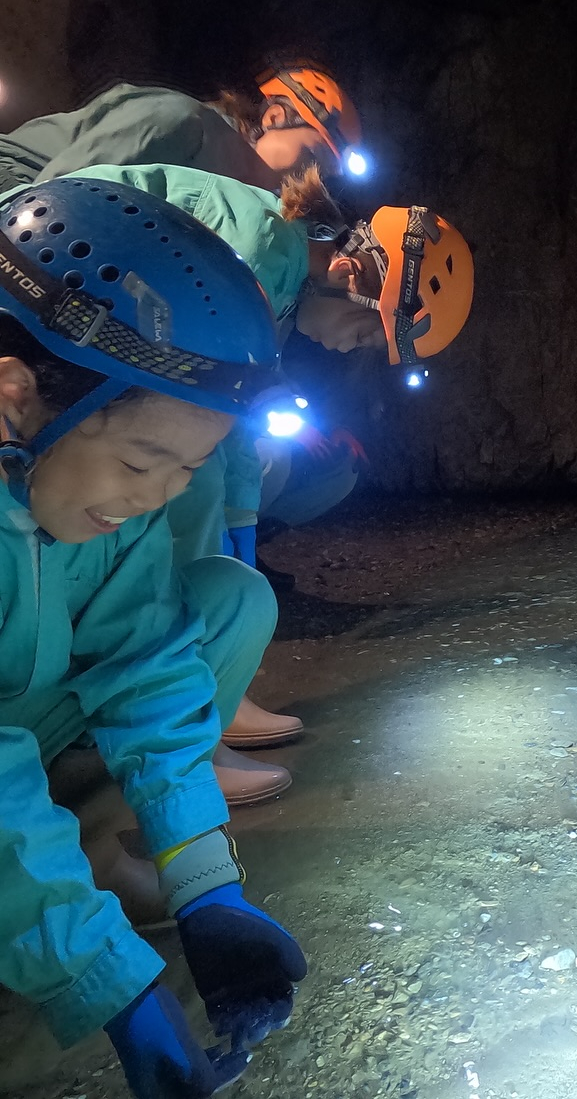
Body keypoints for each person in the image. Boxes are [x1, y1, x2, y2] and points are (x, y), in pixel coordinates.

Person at [0, 176, 306, 1098]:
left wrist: (205, 882)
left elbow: (148, 668)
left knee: (215, 602)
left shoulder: (95, 499)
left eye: (191, 468)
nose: (162, 495)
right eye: (142, 461)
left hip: (24, 708)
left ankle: (78, 865)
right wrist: (109, 982)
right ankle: (46, 909)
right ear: (15, 393)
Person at [43, 161, 474, 786]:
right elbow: (202, 419)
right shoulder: (257, 255)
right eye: (366, 332)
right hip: (50, 333)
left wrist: (242, 534)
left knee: (212, 488)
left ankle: (199, 702)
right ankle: (179, 721)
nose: (355, 349)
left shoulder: (278, 272)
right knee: (191, 487)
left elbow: (237, 419)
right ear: (350, 272)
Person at [0, 61, 365, 197]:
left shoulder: (232, 199)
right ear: (275, 118)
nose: (316, 178)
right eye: (315, 154)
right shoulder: (182, 121)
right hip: (15, 182)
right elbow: (54, 197)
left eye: (327, 175)